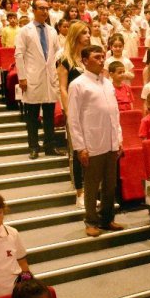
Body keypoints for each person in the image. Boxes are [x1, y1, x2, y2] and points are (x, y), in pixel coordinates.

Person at [68, 45, 124, 238]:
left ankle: (107, 218)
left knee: (110, 184)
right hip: (91, 143)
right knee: (92, 185)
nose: (102, 60)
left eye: (103, 57)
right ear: (85, 61)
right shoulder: (78, 84)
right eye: (97, 57)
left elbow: (114, 114)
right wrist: (80, 147)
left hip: (110, 141)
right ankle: (91, 221)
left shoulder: (107, 83)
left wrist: (119, 138)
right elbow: (73, 119)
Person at [16, 0, 64, 160]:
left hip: (49, 76)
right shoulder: (25, 30)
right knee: (32, 116)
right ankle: (34, 147)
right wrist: (22, 77)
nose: (45, 11)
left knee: (49, 114)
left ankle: (50, 146)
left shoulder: (52, 31)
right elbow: (19, 55)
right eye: (41, 8)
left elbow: (58, 52)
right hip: (32, 77)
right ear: (34, 10)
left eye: (46, 8)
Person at [58, 21, 89, 207]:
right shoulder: (65, 60)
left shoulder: (88, 59)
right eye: (84, 32)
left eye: (88, 32)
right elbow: (62, 88)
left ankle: (91, 189)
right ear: (76, 35)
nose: (87, 35)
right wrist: (69, 112)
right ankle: (80, 193)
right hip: (74, 111)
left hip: (90, 112)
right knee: (78, 152)